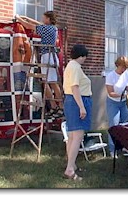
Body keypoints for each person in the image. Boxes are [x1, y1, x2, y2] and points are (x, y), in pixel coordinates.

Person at [15, 11, 63, 118]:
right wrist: (27, 17)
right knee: (48, 83)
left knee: (52, 83)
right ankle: (55, 106)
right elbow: (37, 24)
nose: (42, 19)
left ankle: (60, 107)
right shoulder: (53, 28)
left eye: (44, 18)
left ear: (49, 19)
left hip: (48, 56)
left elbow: (29, 26)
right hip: (50, 56)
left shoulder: (46, 29)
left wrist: (19, 19)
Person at [63, 44, 92, 181]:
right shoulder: (75, 67)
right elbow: (75, 87)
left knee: (72, 136)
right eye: (84, 57)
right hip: (77, 101)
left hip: (72, 101)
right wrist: (82, 107)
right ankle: (69, 169)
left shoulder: (70, 66)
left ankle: (72, 164)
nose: (84, 60)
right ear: (81, 56)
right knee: (78, 135)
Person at [105, 56, 128, 158]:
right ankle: (112, 149)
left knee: (125, 125)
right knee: (114, 125)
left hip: (124, 102)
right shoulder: (110, 76)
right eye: (122, 68)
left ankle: (123, 146)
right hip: (113, 102)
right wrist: (123, 95)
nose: (124, 70)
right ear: (118, 65)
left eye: (126, 68)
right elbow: (111, 93)